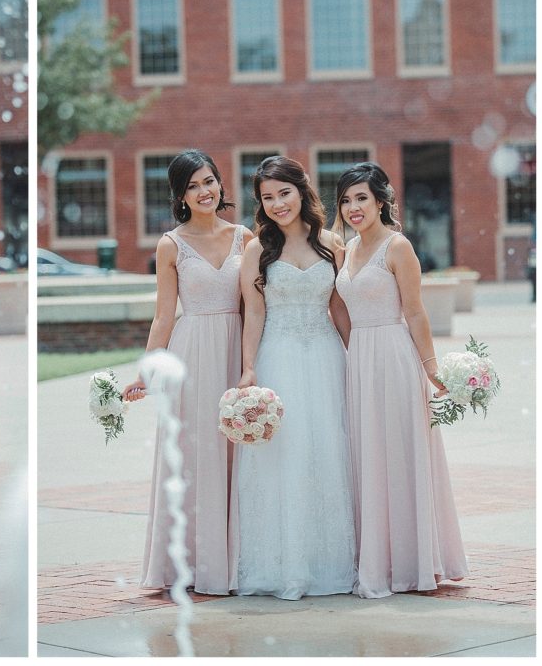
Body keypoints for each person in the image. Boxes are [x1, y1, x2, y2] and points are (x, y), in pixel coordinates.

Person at [122, 149, 253, 595]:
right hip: (191, 354)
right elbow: (163, 315)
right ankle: (194, 564)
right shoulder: (170, 244)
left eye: (210, 181)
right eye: (193, 185)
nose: (204, 192)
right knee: (196, 455)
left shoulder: (245, 237)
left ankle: (238, 560)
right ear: (180, 194)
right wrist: (146, 372)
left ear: (220, 184)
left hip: (235, 349)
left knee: (238, 454)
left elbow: (256, 306)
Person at [334, 162, 467, 598]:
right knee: (369, 455)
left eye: (362, 198)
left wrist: (431, 368)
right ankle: (379, 558)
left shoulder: (398, 247)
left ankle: (413, 563)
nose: (354, 207)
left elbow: (415, 311)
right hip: (360, 361)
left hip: (393, 356)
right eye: (347, 200)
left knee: (400, 454)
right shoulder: (347, 249)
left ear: (380, 202)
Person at [231, 155, 357, 599]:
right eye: (267, 197)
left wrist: (354, 353)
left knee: (327, 451)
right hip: (278, 357)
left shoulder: (332, 243)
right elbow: (254, 314)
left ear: (302, 191)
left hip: (325, 356)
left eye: (284, 192)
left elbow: (339, 306)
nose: (277, 203)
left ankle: (328, 562)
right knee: (283, 458)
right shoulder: (256, 250)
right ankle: (282, 566)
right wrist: (249, 369)